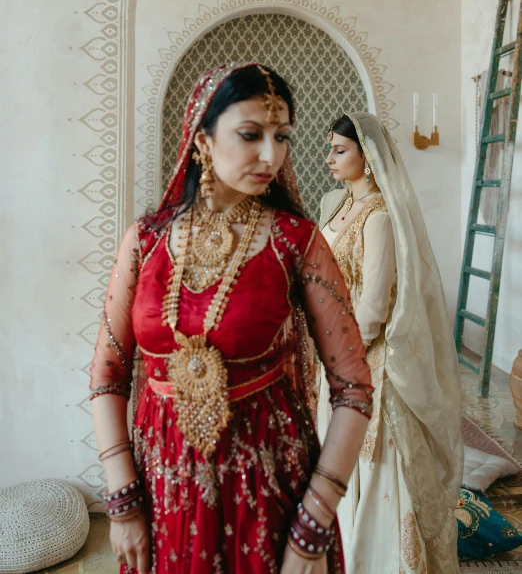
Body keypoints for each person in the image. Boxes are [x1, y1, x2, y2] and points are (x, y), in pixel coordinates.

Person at [89, 64, 373, 574]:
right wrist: (123, 497)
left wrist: (315, 522)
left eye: (281, 136)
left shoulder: (296, 242)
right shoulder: (145, 242)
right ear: (202, 138)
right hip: (160, 493)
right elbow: (108, 375)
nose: (272, 155)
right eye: (251, 135)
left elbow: (352, 387)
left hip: (269, 494)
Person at [319, 112, 463, 574]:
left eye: (340, 150)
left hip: (364, 361)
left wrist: (340, 356)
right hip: (331, 350)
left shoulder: (379, 217)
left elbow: (374, 308)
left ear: (368, 154)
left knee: (375, 463)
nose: (330, 159)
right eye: (331, 149)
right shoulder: (338, 206)